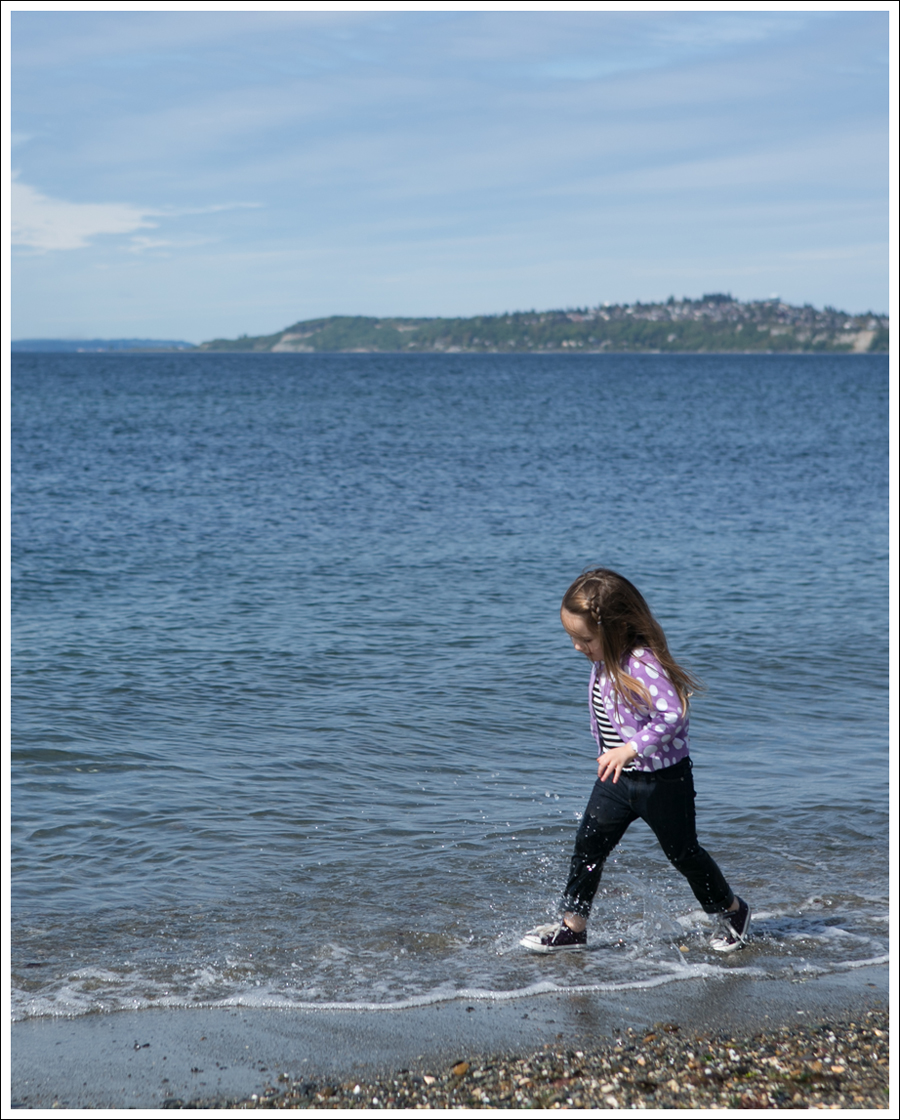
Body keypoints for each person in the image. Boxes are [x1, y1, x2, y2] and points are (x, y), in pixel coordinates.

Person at [520, 568, 750, 954]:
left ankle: (733, 911)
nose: (577, 647)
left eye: (585, 639)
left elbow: (674, 714)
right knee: (588, 845)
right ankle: (573, 928)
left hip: (662, 781)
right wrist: (613, 753)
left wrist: (630, 748)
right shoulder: (603, 660)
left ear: (616, 628)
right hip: (617, 780)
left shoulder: (640, 662)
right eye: (572, 638)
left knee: (683, 853)